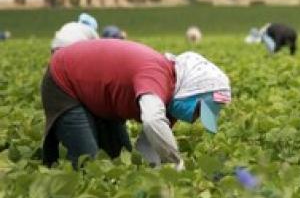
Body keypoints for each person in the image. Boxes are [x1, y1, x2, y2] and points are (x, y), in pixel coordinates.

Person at [41, 39, 231, 169]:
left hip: (101, 100)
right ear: (192, 90)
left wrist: (157, 175)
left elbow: (147, 147)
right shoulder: (158, 75)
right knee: (87, 161)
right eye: (199, 110)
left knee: (119, 157)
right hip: (64, 80)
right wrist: (176, 163)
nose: (195, 118)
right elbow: (151, 121)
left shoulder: (171, 104)